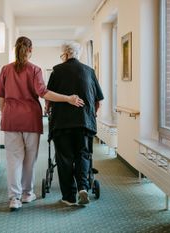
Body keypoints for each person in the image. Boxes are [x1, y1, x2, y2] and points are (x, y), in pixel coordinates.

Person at [0, 36, 84, 211]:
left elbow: (1, 97)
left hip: (11, 118)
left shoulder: (5, 70)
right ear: (30, 50)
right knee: (29, 160)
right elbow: (44, 93)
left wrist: (5, 113)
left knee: (13, 159)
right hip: (30, 119)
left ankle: (14, 198)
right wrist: (68, 99)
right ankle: (27, 194)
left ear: (15, 49)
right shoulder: (35, 70)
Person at [46, 41, 104, 206]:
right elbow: (99, 101)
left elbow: (48, 97)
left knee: (64, 158)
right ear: (78, 54)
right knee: (82, 155)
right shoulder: (89, 71)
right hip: (84, 123)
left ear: (64, 54)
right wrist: (91, 114)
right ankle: (83, 188)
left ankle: (69, 197)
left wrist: (48, 109)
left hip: (62, 123)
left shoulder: (57, 71)